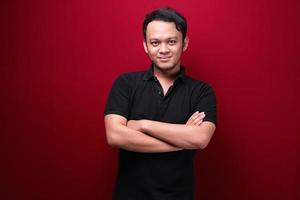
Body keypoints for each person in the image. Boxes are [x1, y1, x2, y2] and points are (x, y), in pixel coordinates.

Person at [104, 7, 217, 200]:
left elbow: (200, 139)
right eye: (155, 42)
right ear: (146, 45)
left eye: (171, 42)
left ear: (185, 43)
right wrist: (181, 140)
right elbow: (115, 136)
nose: (163, 49)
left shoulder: (202, 92)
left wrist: (142, 125)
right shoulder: (126, 84)